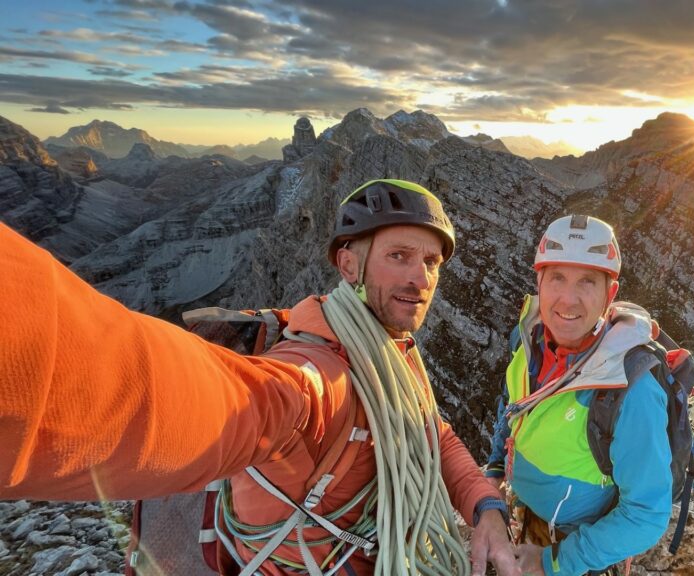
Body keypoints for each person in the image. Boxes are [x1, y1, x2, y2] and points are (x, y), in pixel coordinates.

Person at [0, 179, 518, 576]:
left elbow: (431, 431)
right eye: (398, 256)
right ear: (349, 265)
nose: (420, 278)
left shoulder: (392, 349)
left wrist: (485, 505)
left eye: (431, 262)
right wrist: (30, 356)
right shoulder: (314, 377)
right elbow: (214, 403)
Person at [487, 215, 673, 576]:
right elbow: (512, 407)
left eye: (587, 281)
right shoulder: (529, 339)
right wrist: (494, 469)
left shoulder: (631, 389)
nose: (568, 299)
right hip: (527, 517)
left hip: (578, 547)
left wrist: (553, 562)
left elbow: (647, 515)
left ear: (610, 293)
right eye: (557, 277)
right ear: (538, 281)